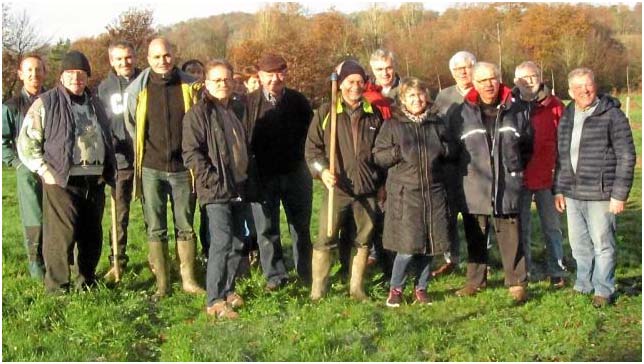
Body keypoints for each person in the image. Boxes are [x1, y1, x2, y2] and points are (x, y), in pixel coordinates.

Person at [17, 51, 116, 293]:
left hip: (94, 180)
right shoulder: (47, 103)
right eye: (70, 74)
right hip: (61, 179)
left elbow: (107, 135)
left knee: (92, 234)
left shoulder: (96, 103)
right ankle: (58, 287)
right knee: (61, 237)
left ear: (87, 77)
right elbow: (26, 142)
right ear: (61, 76)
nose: (76, 79)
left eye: (81, 74)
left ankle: (87, 281)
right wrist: (44, 171)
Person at [125, 38, 203, 298]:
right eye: (157, 57)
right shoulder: (138, 89)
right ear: (148, 59)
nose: (163, 61)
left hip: (183, 168)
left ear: (174, 55)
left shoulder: (190, 85)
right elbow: (131, 124)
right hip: (151, 168)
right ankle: (162, 284)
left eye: (167, 55)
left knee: (185, 225)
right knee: (155, 227)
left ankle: (189, 280)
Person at [448, 62, 532, 303]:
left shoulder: (517, 110)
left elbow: (527, 145)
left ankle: (516, 281)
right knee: (475, 234)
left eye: (492, 79)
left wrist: (514, 168)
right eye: (482, 80)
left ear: (500, 79)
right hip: (474, 184)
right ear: (474, 83)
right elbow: (454, 151)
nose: (488, 85)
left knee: (511, 236)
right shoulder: (460, 113)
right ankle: (475, 281)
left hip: (507, 183)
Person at [554, 68, 635, 308]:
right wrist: (559, 188)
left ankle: (603, 288)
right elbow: (561, 155)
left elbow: (627, 156)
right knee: (579, 245)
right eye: (578, 87)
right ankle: (583, 284)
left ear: (595, 85)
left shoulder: (613, 115)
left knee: (603, 244)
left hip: (602, 193)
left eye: (587, 85)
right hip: (573, 193)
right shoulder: (568, 114)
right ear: (570, 91)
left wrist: (619, 195)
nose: (584, 91)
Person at [305, 60, 384, 301]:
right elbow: (312, 150)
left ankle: (356, 288)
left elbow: (383, 152)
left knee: (362, 239)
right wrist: (322, 171)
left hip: (367, 189)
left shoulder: (374, 113)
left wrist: (380, 184)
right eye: (350, 81)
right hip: (337, 188)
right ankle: (318, 290)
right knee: (326, 237)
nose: (355, 86)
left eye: (360, 82)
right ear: (340, 84)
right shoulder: (326, 112)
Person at [373, 77, 450, 307]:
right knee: (407, 247)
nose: (417, 99)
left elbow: (451, 149)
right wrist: (399, 151)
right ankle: (396, 288)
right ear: (403, 100)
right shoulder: (393, 124)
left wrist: (444, 149)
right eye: (411, 96)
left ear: (426, 96)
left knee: (430, 245)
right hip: (406, 193)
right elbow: (379, 155)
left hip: (434, 192)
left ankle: (421, 288)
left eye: (420, 94)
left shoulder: (437, 122)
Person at [183, 59, 250, 319]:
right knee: (221, 242)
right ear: (206, 83)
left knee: (237, 241)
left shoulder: (236, 108)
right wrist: (211, 179)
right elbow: (191, 152)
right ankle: (214, 300)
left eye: (226, 79)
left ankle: (228, 288)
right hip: (215, 189)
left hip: (239, 185)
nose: (223, 84)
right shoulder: (198, 114)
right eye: (217, 80)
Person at [244, 53, 314, 289]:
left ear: (285, 74)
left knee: (300, 227)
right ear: (260, 76)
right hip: (263, 177)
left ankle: (306, 273)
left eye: (279, 73)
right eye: (269, 74)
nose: (275, 78)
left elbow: (312, 137)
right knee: (266, 229)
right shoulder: (248, 103)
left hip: (296, 174)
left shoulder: (298, 101)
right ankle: (275, 276)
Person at [512, 61, 567, 287]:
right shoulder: (509, 105)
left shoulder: (555, 105)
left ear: (541, 77)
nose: (529, 81)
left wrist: (561, 180)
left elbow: (565, 143)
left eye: (533, 76)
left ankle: (557, 268)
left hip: (548, 177)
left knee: (552, 227)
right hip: (519, 178)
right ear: (516, 81)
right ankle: (526, 270)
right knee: (521, 227)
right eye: (524, 78)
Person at [97, 40, 141, 280]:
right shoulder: (104, 88)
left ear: (135, 57)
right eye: (119, 58)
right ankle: (117, 261)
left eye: (129, 57)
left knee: (151, 214)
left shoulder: (145, 81)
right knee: (120, 214)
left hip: (145, 159)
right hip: (120, 162)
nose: (125, 62)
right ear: (112, 61)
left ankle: (160, 262)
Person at [431, 50, 477, 277]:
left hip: (476, 164)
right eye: (458, 69)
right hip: (448, 165)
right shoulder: (443, 96)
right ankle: (451, 258)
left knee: (475, 214)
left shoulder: (482, 92)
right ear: (452, 72)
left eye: (467, 67)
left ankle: (479, 259)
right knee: (449, 214)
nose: (463, 72)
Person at [2, 55, 47, 279]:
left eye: (38, 70)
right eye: (29, 70)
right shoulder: (11, 106)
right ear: (20, 74)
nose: (34, 74)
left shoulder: (53, 100)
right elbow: (2, 142)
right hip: (28, 172)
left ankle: (57, 263)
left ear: (45, 73)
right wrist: (18, 164)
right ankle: (36, 268)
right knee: (34, 218)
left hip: (52, 170)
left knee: (55, 218)